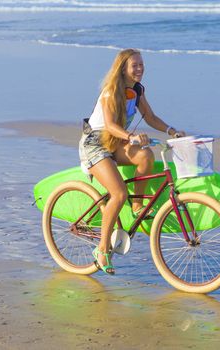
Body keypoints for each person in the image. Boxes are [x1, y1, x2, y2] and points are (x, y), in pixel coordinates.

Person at [79, 48, 185, 275]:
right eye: (134, 65)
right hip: (95, 144)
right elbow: (109, 125)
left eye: (141, 64)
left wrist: (171, 131)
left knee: (146, 155)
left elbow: (150, 117)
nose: (140, 69)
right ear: (123, 68)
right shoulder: (111, 91)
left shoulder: (137, 90)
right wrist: (132, 137)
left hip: (115, 143)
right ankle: (102, 249)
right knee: (118, 194)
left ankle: (137, 207)